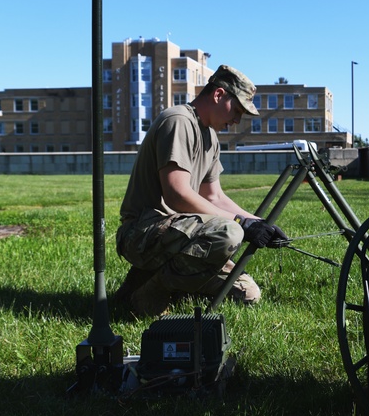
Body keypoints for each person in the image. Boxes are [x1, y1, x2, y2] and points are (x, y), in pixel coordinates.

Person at [114, 64, 287, 318]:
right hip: (142, 233)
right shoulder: (179, 121)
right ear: (218, 95)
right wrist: (242, 224)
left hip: (179, 232)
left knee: (248, 293)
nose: (237, 120)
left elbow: (214, 196)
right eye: (236, 110)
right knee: (229, 232)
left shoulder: (211, 137)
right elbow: (177, 193)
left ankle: (149, 280)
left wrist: (258, 223)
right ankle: (149, 294)